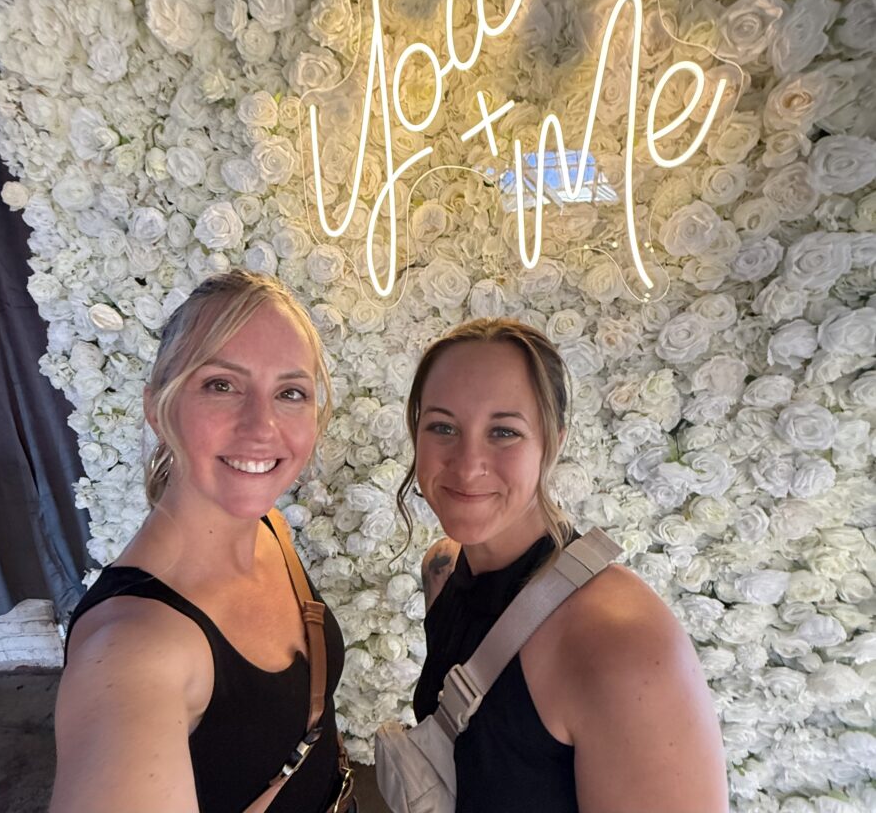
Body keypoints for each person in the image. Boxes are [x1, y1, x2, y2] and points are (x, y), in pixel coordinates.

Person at [51, 271, 354, 813]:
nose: (261, 427)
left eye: (290, 392)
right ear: (158, 408)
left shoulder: (272, 530)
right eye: (222, 385)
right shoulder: (130, 654)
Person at [397, 317, 729, 813]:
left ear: (553, 442)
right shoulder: (443, 570)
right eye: (442, 427)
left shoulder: (618, 639)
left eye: (504, 432)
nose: (467, 465)